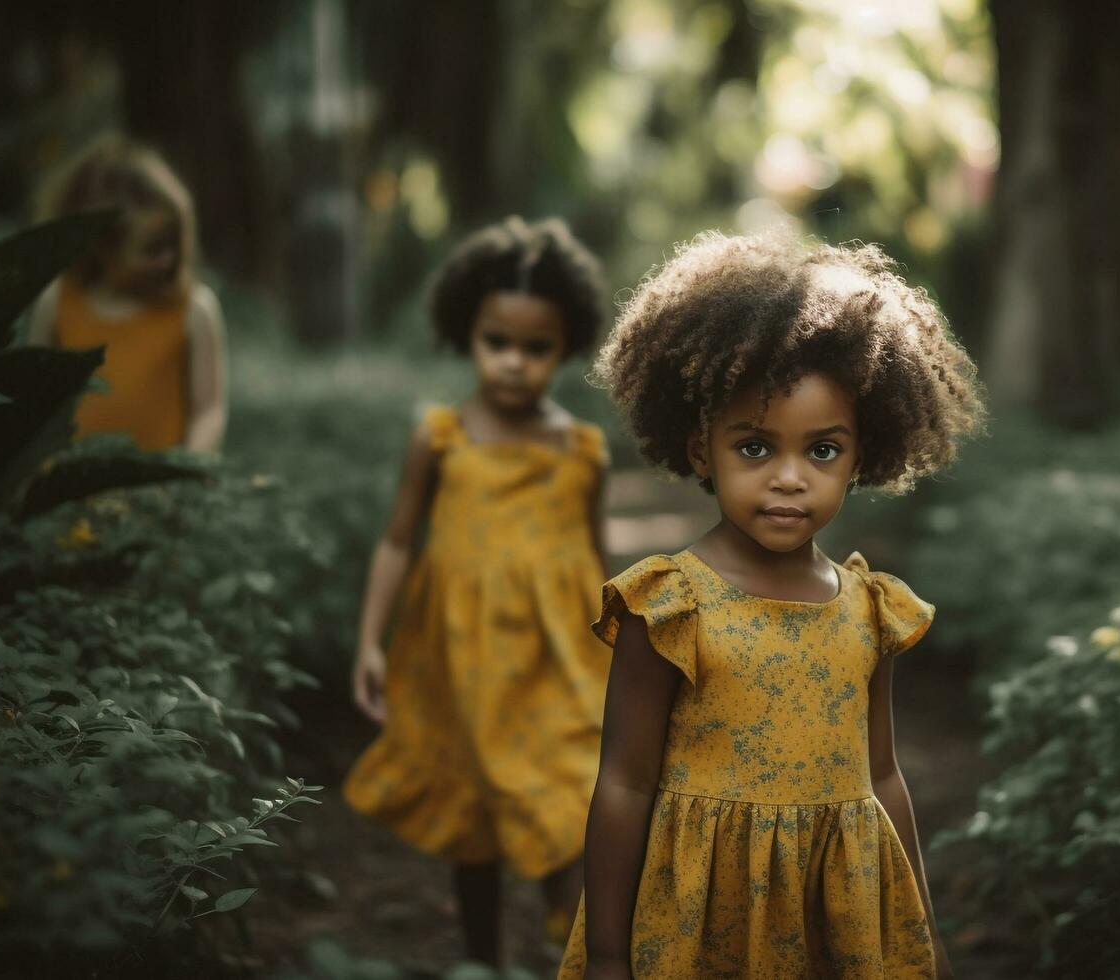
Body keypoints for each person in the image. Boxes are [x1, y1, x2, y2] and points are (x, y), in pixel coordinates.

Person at [562, 232, 987, 979]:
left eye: (821, 450)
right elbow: (624, 782)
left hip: (834, 912)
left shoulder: (869, 609)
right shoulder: (669, 607)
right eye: (755, 448)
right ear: (701, 450)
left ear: (863, 456)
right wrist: (604, 954)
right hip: (699, 919)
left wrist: (918, 931)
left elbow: (882, 775)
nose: (789, 478)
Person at [343, 216, 614, 964]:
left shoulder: (581, 450)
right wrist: (371, 639)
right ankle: (481, 960)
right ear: (466, 332)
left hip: (556, 664)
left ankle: (576, 946)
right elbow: (399, 540)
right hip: (460, 664)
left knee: (568, 796)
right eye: (497, 342)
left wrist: (623, 657)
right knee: (472, 819)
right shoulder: (440, 436)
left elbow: (595, 558)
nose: (515, 365)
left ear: (567, 346)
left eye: (538, 348)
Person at [28, 134, 226, 453]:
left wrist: (188, 467)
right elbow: (33, 399)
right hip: (72, 491)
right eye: (153, 249)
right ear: (102, 247)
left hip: (160, 493)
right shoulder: (58, 303)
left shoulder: (193, 310)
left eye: (173, 244)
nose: (168, 259)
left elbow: (209, 409)